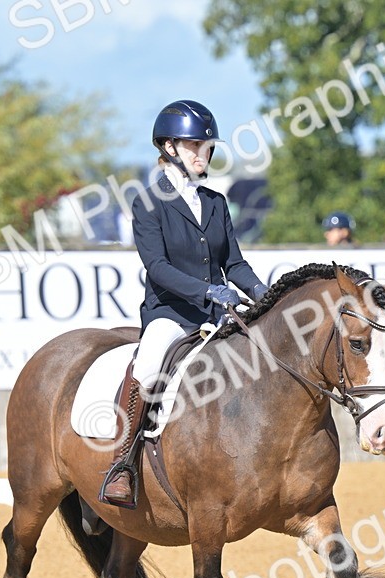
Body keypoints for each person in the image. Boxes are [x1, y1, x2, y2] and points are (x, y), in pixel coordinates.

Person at [99, 99, 269, 509]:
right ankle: (122, 464)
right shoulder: (148, 202)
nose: (203, 153)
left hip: (216, 316)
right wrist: (207, 291)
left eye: (207, 147)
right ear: (170, 148)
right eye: (194, 146)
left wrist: (266, 296)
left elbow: (235, 264)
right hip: (171, 314)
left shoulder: (214, 202)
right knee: (149, 363)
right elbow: (156, 267)